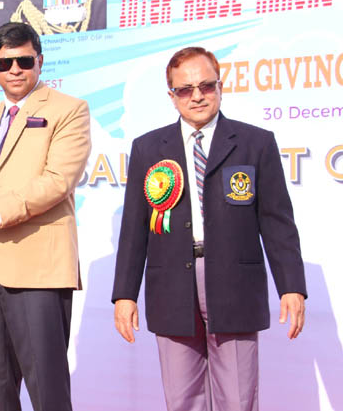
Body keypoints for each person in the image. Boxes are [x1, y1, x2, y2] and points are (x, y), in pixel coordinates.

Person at [112, 46, 307, 411]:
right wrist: (124, 294)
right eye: (185, 89)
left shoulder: (256, 143)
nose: (197, 96)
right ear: (172, 96)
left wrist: (292, 286)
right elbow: (134, 229)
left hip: (235, 284)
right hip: (171, 285)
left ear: (220, 85)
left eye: (206, 85)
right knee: (182, 400)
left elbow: (277, 222)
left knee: (237, 397)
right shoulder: (148, 148)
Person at [0, 22, 91, 410]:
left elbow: (57, 181)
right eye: (5, 62)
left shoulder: (68, 110)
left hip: (38, 269)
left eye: (24, 61)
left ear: (39, 61)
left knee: (48, 391)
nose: (15, 69)